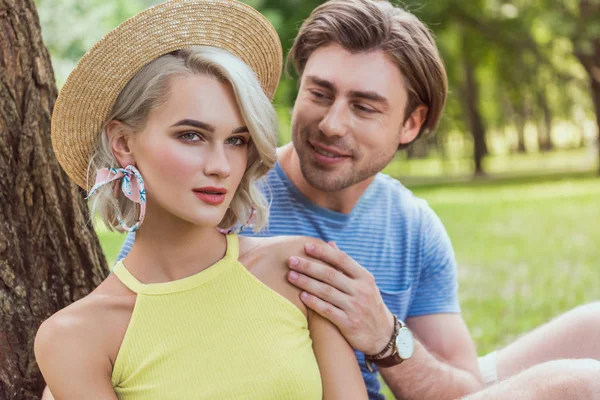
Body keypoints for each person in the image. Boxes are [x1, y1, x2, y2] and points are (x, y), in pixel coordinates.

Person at [112, 1, 600, 399]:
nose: (332, 123)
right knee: (573, 385)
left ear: (410, 123)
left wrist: (384, 335)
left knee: (593, 326)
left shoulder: (412, 224)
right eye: (320, 93)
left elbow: (462, 386)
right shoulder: (219, 197)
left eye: (364, 106)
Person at [34, 0, 368, 399]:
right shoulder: (74, 337)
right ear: (123, 143)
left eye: (236, 141)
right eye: (191, 135)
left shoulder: (299, 271)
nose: (220, 166)